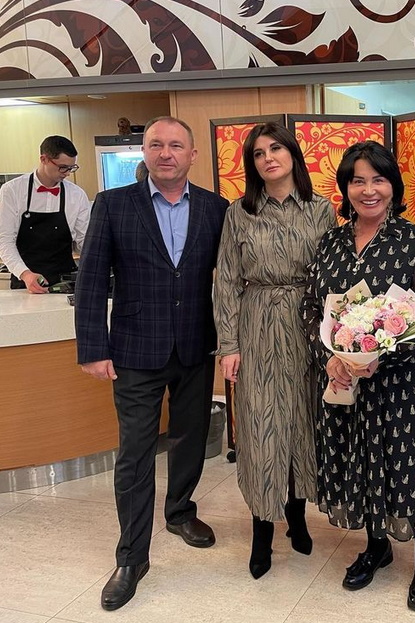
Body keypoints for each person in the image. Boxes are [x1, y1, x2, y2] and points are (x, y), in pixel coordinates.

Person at [75, 116, 229, 611]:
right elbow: (91, 279)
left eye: (176, 145)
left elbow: (229, 281)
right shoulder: (113, 204)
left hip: (195, 345)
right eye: (156, 145)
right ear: (144, 152)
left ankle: (180, 511)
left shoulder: (216, 208)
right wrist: (93, 348)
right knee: (136, 453)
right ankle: (131, 557)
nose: (166, 153)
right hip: (135, 349)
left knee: (190, 439)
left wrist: (232, 341)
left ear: (192, 155)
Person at [300, 141, 415, 611]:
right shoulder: (331, 242)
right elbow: (311, 307)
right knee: (359, 459)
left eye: (378, 180)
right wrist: (329, 355)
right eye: (357, 181)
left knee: (407, 464)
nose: (368, 190)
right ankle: (376, 545)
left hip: (401, 382)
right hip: (344, 381)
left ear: (393, 187)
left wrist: (383, 357)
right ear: (345, 188)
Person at [214, 122, 336, 579]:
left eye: (276, 149)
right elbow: (226, 280)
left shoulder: (321, 209)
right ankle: (262, 530)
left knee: (305, 423)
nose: (268, 158)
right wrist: (228, 344)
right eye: (258, 153)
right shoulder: (239, 212)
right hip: (257, 325)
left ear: (293, 155)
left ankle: (298, 515)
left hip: (309, 327)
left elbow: (333, 276)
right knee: (262, 428)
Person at [0, 136, 90, 293]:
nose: (68, 173)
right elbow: (5, 241)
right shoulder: (12, 191)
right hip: (25, 284)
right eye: (63, 167)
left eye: (71, 168)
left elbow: (84, 241)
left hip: (66, 283)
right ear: (44, 159)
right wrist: (25, 274)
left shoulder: (77, 195)